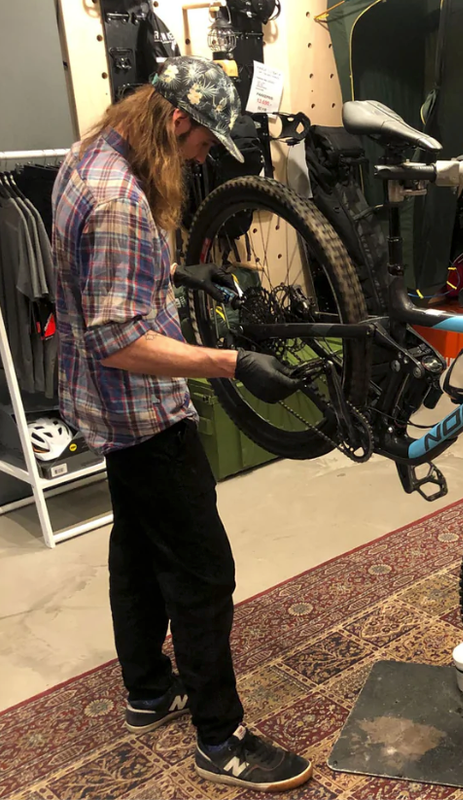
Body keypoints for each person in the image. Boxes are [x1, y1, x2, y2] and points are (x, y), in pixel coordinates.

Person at [52, 56, 313, 793]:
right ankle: (220, 739)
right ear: (176, 120)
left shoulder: (89, 156)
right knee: (203, 573)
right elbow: (118, 340)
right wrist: (232, 363)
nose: (202, 158)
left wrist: (175, 277)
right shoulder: (119, 200)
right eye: (202, 143)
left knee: (137, 549)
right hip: (144, 415)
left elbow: (103, 284)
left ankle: (147, 689)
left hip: (106, 411)